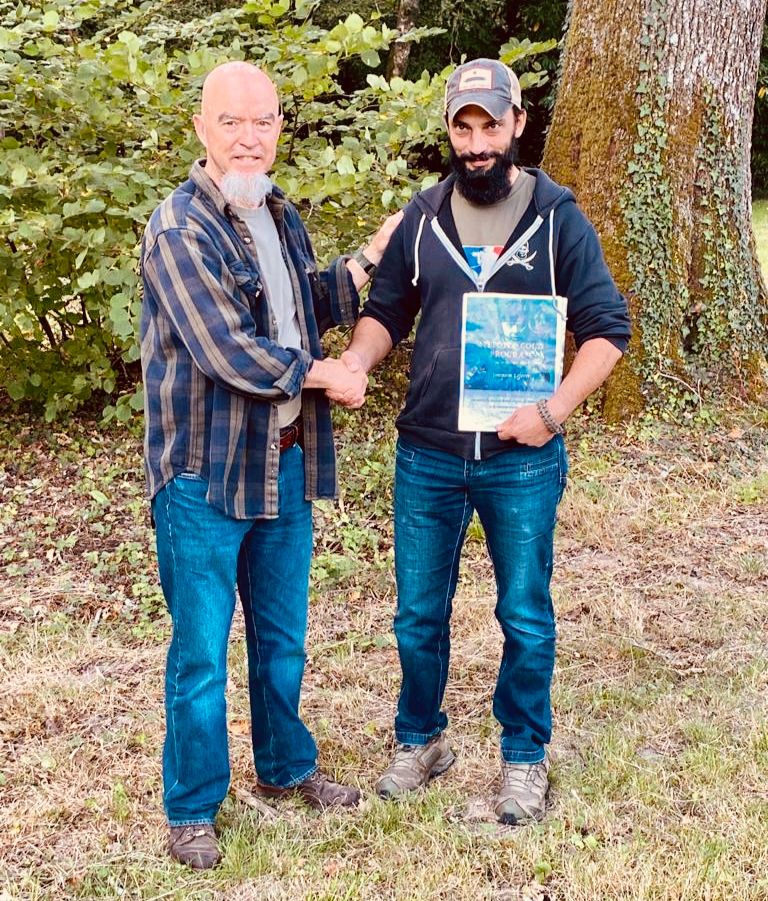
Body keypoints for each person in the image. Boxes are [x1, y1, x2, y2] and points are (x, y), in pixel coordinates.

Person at [338, 58, 632, 825]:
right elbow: (389, 310)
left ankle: (524, 757)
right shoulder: (422, 215)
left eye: (489, 126)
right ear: (449, 131)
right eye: (462, 128)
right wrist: (358, 360)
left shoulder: (557, 215)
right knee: (416, 615)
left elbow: (608, 330)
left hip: (521, 459)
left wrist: (555, 409)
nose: (476, 144)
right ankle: (420, 737)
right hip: (428, 452)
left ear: (517, 125)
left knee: (525, 613)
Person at [140, 61, 401, 869]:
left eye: (265, 121)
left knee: (283, 638)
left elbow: (303, 307)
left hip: (282, 464)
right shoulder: (179, 228)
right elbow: (230, 352)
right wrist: (331, 374)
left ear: (280, 127)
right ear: (201, 129)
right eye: (233, 122)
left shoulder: (278, 214)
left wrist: (366, 259)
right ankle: (191, 807)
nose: (250, 136)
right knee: (201, 651)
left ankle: (286, 767)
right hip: (204, 477)